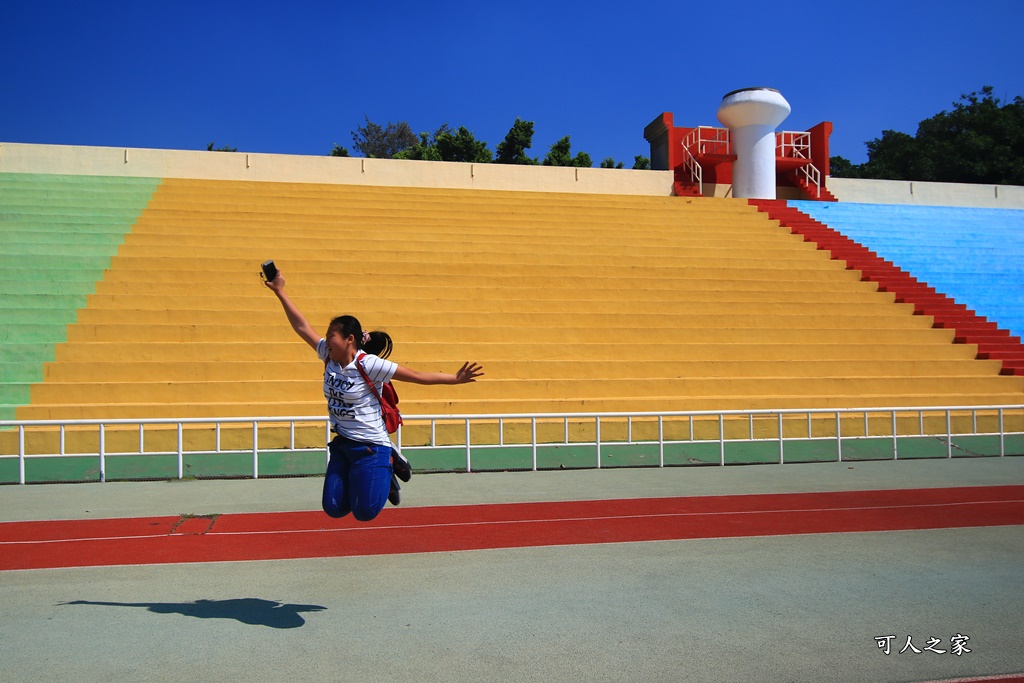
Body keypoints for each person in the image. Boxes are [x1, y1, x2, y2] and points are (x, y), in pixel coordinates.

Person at [264, 268, 483, 521]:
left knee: (364, 512)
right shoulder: (327, 355)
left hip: (371, 445)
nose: (325, 341)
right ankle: (378, 472)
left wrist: (456, 379)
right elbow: (302, 326)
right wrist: (280, 291)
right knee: (334, 508)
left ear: (349, 339)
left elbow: (416, 376)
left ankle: (389, 459)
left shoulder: (368, 364)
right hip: (344, 445)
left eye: (331, 337)